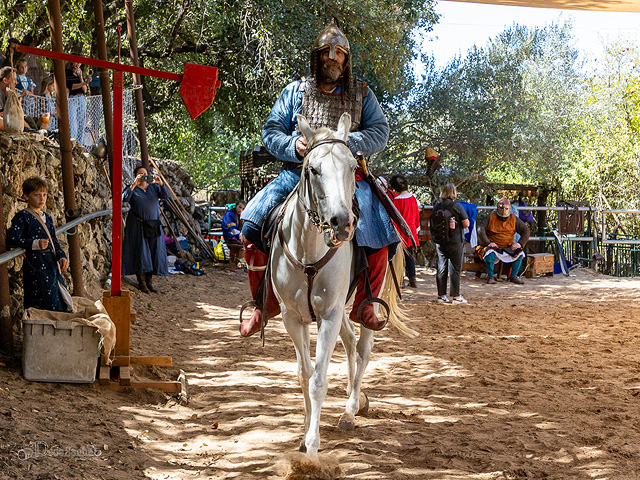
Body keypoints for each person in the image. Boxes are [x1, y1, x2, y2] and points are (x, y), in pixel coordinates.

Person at [239, 18, 399, 337]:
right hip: (298, 173)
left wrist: (344, 144)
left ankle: (365, 302)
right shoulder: (294, 92)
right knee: (251, 227)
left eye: (339, 53)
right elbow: (271, 131)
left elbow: (380, 132)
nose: (333, 57)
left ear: (346, 59)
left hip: (346, 176)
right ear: (317, 56)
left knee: (382, 232)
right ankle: (263, 303)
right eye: (327, 51)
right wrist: (292, 144)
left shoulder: (362, 94)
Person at [6, 177, 70, 312]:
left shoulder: (47, 217)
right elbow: (12, 239)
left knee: (56, 300)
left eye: (44, 195)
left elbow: (53, 240)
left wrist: (62, 257)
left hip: (51, 266)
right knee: (38, 303)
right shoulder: (22, 216)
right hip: (34, 267)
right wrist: (35, 244)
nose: (42, 199)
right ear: (26, 196)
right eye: (37, 195)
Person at [122, 165, 169, 293]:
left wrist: (161, 184)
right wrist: (134, 184)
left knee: (154, 252)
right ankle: (141, 282)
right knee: (141, 253)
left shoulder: (154, 187)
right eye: (140, 173)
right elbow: (124, 198)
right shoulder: (132, 188)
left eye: (145, 173)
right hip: (138, 225)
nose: (143, 175)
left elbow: (166, 196)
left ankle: (149, 282)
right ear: (136, 175)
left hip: (153, 225)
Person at [476, 197, 530, 285]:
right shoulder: (490, 217)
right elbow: (480, 229)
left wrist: (520, 244)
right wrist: (488, 243)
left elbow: (526, 230)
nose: (504, 210)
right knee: (489, 253)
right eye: (502, 208)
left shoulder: (514, 219)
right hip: (494, 246)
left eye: (506, 208)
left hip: (508, 247)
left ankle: (514, 276)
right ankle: (490, 276)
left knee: (519, 253)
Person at [432, 184, 470, 303]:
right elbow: (466, 224)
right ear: (454, 193)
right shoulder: (457, 206)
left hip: (440, 242)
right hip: (455, 241)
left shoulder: (437, 206)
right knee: (455, 268)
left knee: (441, 267)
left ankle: (441, 296)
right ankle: (456, 296)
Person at [388, 174, 420, 288]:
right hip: (411, 230)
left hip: (400, 231)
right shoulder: (412, 198)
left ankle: (400, 280)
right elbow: (417, 215)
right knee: (410, 255)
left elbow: (394, 219)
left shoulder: (396, 201)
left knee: (399, 257)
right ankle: (412, 279)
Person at [65, 60, 91, 141]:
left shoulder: (80, 73)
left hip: (81, 98)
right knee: (73, 124)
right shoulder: (67, 72)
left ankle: (80, 144)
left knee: (81, 123)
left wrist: (81, 77)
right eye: (76, 62)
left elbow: (85, 90)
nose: (77, 64)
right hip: (72, 98)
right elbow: (71, 87)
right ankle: (73, 142)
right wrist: (85, 82)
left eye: (79, 63)